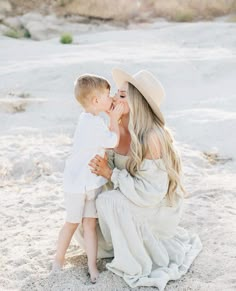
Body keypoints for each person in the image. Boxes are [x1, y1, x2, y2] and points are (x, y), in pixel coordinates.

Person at [88, 68, 202, 290]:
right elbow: (103, 165)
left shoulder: (151, 137)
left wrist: (111, 174)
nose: (112, 98)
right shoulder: (117, 127)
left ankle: (135, 252)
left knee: (108, 202)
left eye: (121, 96)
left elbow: (150, 192)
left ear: (137, 104)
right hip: (130, 194)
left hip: (154, 205)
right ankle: (123, 241)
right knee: (87, 214)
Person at [52, 74, 123, 283]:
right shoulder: (92, 124)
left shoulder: (91, 120)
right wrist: (113, 118)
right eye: (107, 95)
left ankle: (92, 265)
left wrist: (109, 119)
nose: (111, 99)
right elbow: (113, 141)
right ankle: (58, 259)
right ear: (96, 101)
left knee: (90, 225)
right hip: (76, 184)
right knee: (72, 223)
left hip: (91, 183)